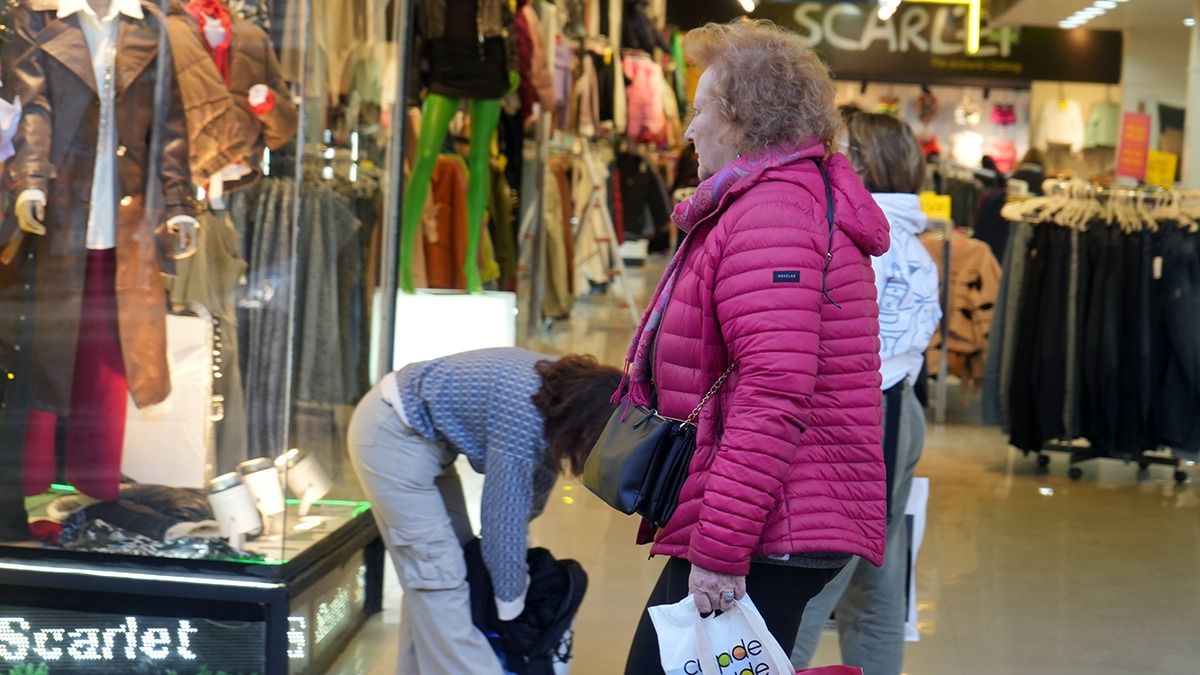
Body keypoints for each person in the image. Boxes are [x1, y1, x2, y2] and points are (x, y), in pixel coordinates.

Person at [620, 20, 891, 673]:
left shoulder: (773, 213)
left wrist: (720, 548)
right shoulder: (779, 201)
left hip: (773, 522)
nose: (688, 131)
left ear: (745, 119)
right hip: (776, 511)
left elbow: (774, 391)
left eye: (700, 112)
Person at [348, 348, 620, 675]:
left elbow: (532, 491)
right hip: (392, 434)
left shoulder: (559, 391)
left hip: (424, 438)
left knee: (444, 574)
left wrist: (511, 581)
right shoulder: (524, 414)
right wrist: (511, 608)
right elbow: (502, 523)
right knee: (439, 576)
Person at [791, 113, 942, 675]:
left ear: (863, 161)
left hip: (860, 417)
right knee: (876, 583)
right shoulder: (909, 238)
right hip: (896, 412)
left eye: (840, 147)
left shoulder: (863, 233)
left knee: (809, 584)